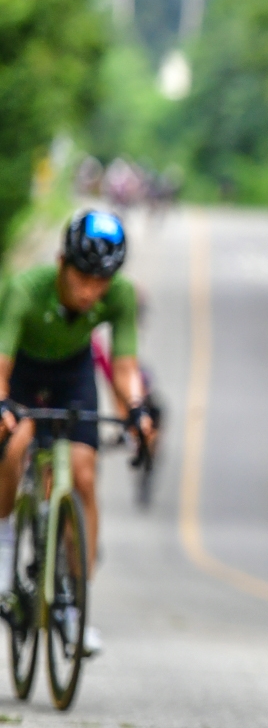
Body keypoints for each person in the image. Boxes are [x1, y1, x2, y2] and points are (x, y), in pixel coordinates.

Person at [0, 211, 154, 657]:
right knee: (15, 446)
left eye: (101, 280)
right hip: (21, 370)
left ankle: (74, 604)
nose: (90, 290)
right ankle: (4, 548)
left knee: (84, 476)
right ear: (61, 262)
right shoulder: (26, 289)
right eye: (81, 277)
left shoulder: (120, 295)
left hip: (72, 374)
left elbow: (124, 366)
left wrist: (136, 410)